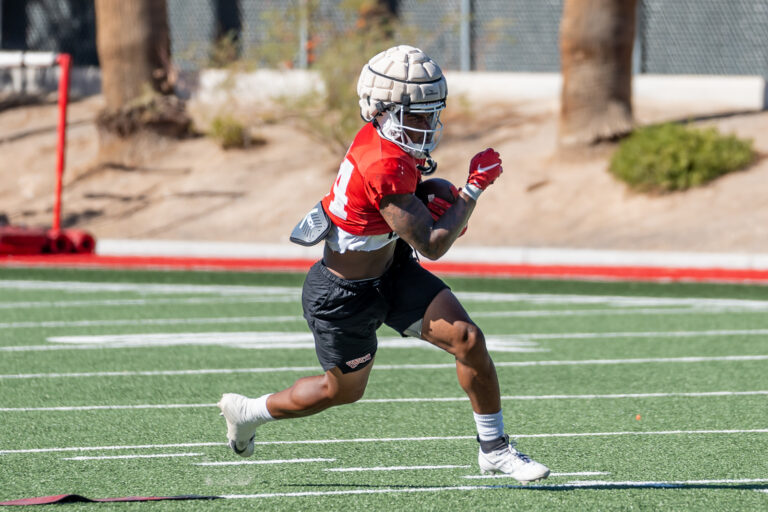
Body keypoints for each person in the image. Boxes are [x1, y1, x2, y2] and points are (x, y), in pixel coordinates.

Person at [218, 45, 549, 483]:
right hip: (342, 295)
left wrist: (438, 204)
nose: (427, 124)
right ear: (382, 110)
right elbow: (432, 245)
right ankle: (250, 413)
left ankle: (495, 448)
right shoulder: (383, 162)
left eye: (432, 113)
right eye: (416, 114)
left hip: (390, 270)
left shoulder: (393, 146)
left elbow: (417, 227)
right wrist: (472, 191)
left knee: (468, 340)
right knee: (339, 393)